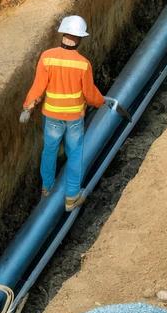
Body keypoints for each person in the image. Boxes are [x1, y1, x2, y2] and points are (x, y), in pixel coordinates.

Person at [21, 15, 115, 211]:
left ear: (63, 33)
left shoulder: (47, 57)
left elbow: (38, 86)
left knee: (49, 151)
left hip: (52, 117)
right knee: (74, 154)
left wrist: (28, 105)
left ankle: (46, 189)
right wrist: (100, 102)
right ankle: (71, 197)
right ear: (80, 38)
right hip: (73, 119)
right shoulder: (83, 64)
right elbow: (90, 94)